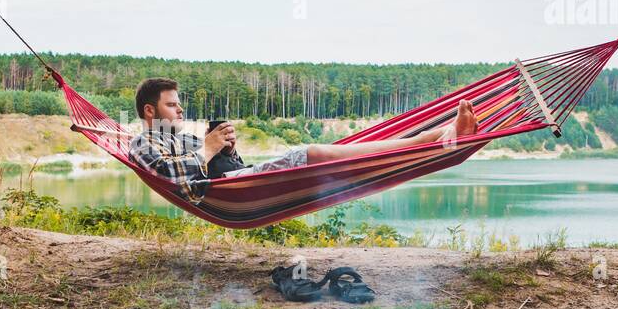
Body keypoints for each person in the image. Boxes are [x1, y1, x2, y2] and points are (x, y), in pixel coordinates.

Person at [127, 77, 477, 203]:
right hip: (233, 192)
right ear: (149, 111)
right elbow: (179, 181)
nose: (180, 111)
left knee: (326, 156)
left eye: (180, 104)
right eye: (171, 105)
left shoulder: (184, 141)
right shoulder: (142, 144)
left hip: (240, 183)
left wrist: (227, 149)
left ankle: (436, 140)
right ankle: (437, 139)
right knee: (312, 152)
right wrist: (210, 148)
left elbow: (212, 166)